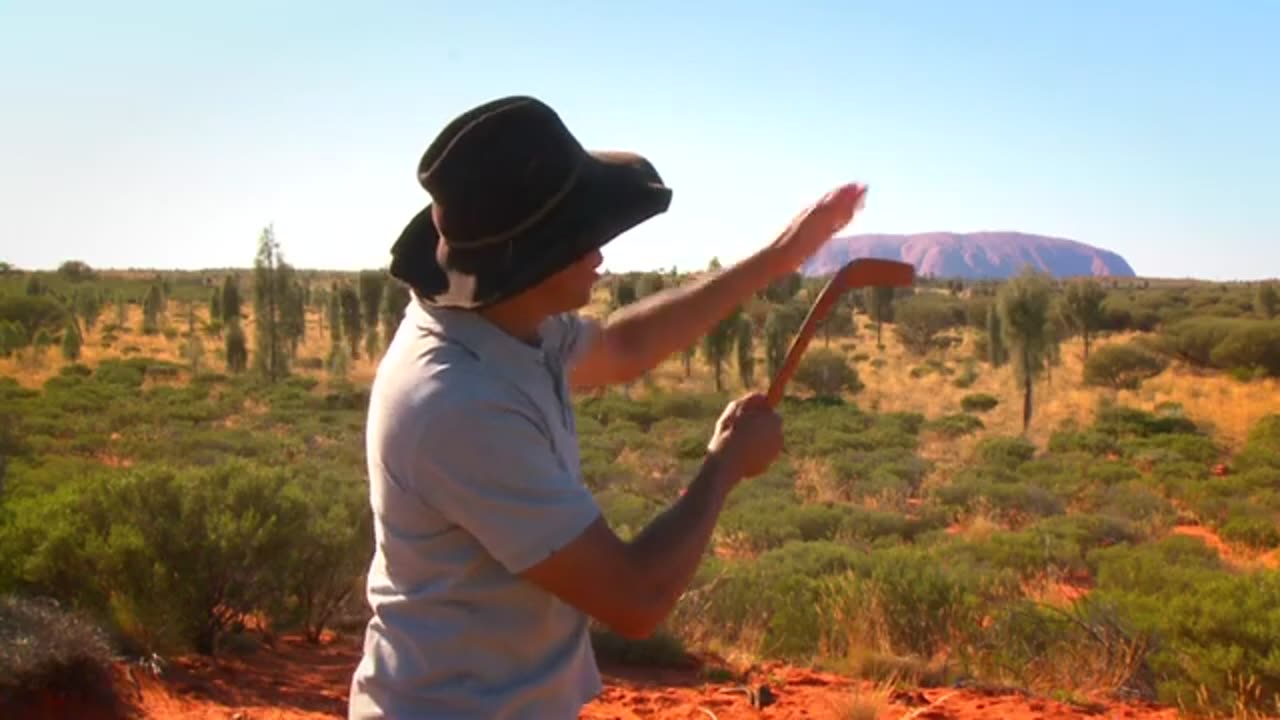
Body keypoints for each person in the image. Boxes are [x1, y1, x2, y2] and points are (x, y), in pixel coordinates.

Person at [347, 95, 867, 719]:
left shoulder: (506, 324)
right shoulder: (460, 403)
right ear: (531, 262)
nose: (600, 252)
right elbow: (635, 598)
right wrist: (724, 465)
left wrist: (780, 257)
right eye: (581, 236)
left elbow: (625, 344)